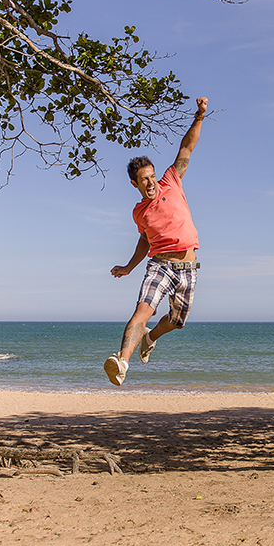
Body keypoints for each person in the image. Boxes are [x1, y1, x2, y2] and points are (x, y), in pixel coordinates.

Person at [103, 97, 208, 386]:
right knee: (142, 311)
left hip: (189, 268)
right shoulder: (139, 212)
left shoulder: (171, 181)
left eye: (151, 176)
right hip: (160, 266)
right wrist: (129, 267)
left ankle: (151, 338)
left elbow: (186, 148)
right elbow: (144, 241)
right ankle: (122, 363)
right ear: (134, 183)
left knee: (177, 321)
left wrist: (199, 116)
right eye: (143, 180)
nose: (150, 183)